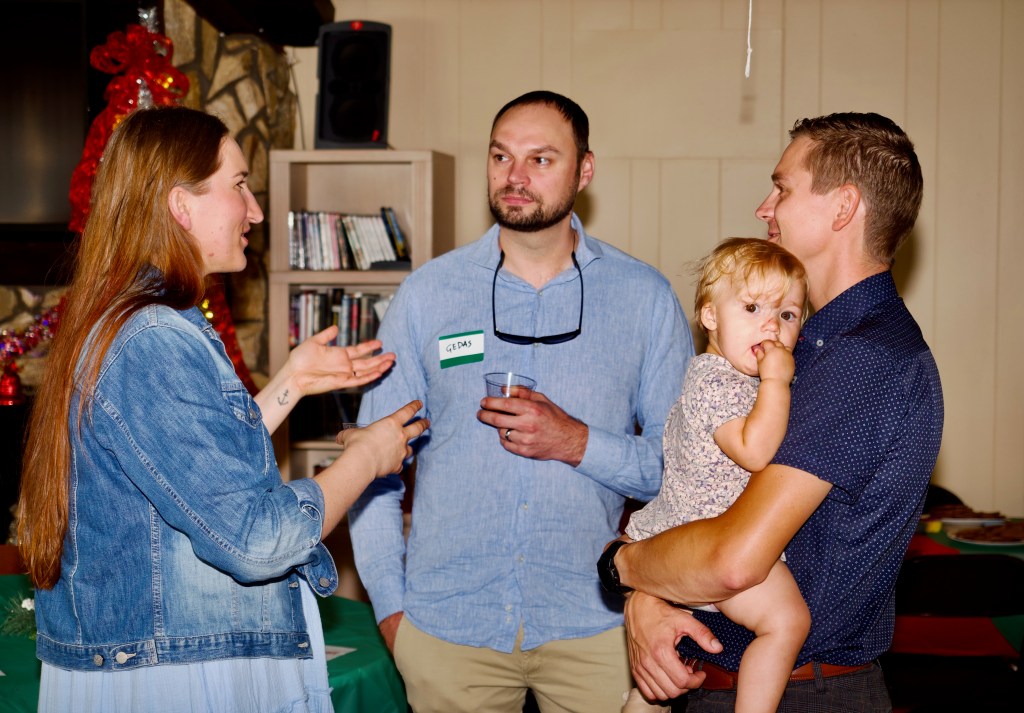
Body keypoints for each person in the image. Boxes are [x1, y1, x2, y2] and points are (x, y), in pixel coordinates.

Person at [16, 106, 428, 713]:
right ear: (182, 206)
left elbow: (190, 470)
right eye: (239, 185)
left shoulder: (144, 320)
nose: (255, 211)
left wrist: (291, 382)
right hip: (171, 677)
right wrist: (366, 458)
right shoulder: (153, 337)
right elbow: (254, 539)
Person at [347, 90, 694, 713]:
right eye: (501, 156)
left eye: (540, 159)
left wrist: (577, 442)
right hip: (448, 629)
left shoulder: (644, 299)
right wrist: (392, 611)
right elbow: (371, 469)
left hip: (599, 626)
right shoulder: (427, 295)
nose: (515, 176)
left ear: (584, 171)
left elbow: (682, 474)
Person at [608, 112, 944, 712]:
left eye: (782, 189)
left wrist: (623, 566)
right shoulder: (806, 344)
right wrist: (649, 599)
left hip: (804, 693)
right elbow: (703, 496)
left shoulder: (864, 357)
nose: (765, 208)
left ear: (843, 207)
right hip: (731, 675)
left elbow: (733, 561)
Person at [620, 238, 809, 713]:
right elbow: (755, 452)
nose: (771, 324)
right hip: (708, 541)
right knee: (786, 622)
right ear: (710, 316)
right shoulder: (714, 380)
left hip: (706, 535)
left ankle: (642, 701)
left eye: (788, 314)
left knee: (671, 667)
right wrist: (778, 381)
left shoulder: (738, 380)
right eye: (752, 307)